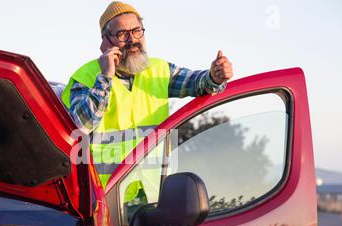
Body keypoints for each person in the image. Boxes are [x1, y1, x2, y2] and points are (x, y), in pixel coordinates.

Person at [62, 1, 233, 189]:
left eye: (137, 31)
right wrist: (105, 77)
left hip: (155, 193)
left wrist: (214, 77)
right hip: (105, 198)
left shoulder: (159, 70)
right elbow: (79, 126)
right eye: (122, 34)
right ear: (105, 41)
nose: (132, 39)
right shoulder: (85, 77)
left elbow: (197, 82)